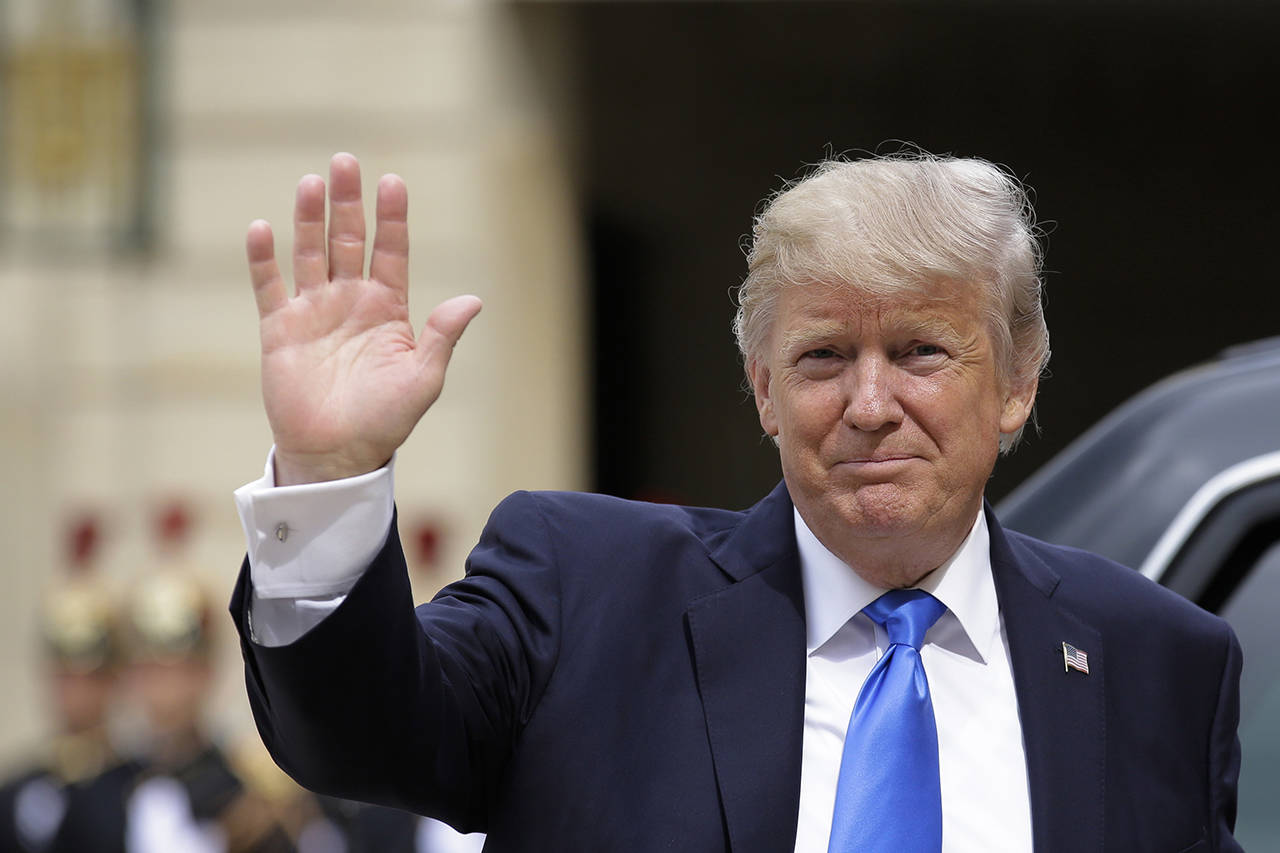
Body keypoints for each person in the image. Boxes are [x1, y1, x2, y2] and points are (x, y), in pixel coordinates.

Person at [229, 151, 1242, 851]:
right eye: (822, 357)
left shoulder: (1156, 662)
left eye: (920, 351)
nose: (869, 404)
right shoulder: (585, 590)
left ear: (1016, 380)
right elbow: (355, 734)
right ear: (763, 388)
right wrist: (329, 475)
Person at [0, 576, 139, 853]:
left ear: (115, 681)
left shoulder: (137, 789)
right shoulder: (15, 791)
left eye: (91, 678)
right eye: (66, 677)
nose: (76, 694)